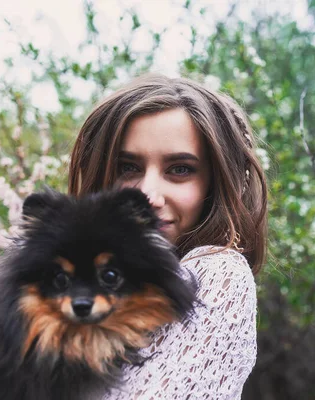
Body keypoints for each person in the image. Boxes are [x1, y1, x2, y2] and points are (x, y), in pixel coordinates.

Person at [68, 74, 268, 399]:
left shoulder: (217, 274)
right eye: (127, 168)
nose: (149, 195)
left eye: (179, 169)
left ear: (214, 185)